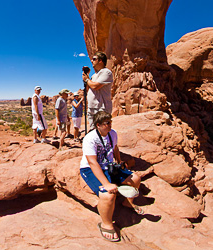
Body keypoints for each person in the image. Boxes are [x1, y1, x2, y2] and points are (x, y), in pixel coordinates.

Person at [79, 111, 142, 242]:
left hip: (109, 166)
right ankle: (106, 224)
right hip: (90, 169)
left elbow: (115, 149)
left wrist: (119, 162)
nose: (110, 125)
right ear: (98, 125)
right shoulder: (90, 139)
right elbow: (92, 162)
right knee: (108, 195)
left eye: (110, 122)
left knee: (135, 179)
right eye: (107, 123)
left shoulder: (112, 134)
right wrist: (106, 184)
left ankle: (127, 203)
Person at [81, 52, 113, 129]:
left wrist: (87, 80)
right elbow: (89, 89)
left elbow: (95, 86)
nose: (92, 61)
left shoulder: (106, 72)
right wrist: (86, 77)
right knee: (93, 132)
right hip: (92, 108)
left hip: (101, 108)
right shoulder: (93, 76)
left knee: (102, 132)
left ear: (100, 61)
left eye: (94, 59)